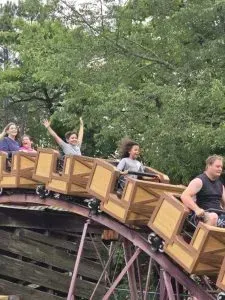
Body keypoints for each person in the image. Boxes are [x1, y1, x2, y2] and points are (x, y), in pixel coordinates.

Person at [181, 155, 225, 227]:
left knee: (216, 217)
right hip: (201, 216)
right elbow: (184, 196)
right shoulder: (199, 181)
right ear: (209, 166)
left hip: (218, 216)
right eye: (217, 166)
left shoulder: (220, 185)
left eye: (221, 167)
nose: (220, 169)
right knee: (213, 217)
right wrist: (197, 209)